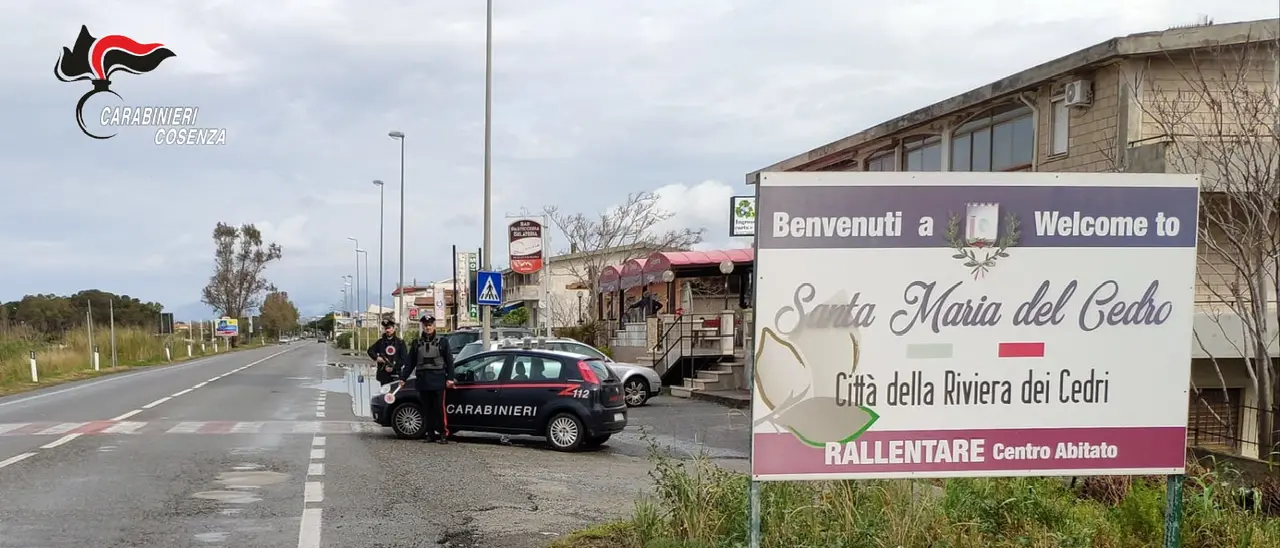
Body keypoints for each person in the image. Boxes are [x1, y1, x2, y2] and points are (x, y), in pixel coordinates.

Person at [403, 316, 455, 443]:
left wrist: (450, 378)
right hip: (423, 381)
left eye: (430, 325)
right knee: (427, 409)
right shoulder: (416, 343)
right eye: (425, 325)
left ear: (434, 326)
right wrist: (403, 378)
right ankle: (430, 434)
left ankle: (443, 433)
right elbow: (410, 363)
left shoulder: (442, 342)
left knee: (439, 408)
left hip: (438, 380)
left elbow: (449, 361)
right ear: (422, 326)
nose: (427, 327)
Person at [366, 320, 408, 385]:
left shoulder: (400, 342)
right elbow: (370, 350)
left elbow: (404, 358)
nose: (387, 330)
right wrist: (377, 358)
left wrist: (394, 367)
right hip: (383, 375)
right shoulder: (380, 342)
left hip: (396, 374)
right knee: (384, 394)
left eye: (389, 328)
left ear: (394, 328)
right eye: (386, 328)